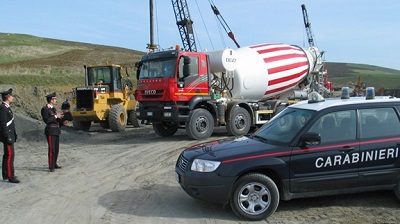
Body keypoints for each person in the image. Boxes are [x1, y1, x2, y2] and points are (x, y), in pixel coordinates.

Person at [41, 92, 66, 172]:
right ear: (51, 100)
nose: (56, 100)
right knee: (52, 149)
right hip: (50, 130)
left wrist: (62, 121)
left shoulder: (53, 109)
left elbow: (56, 120)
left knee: (56, 148)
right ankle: (51, 166)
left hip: (56, 130)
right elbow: (47, 120)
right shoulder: (45, 109)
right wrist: (55, 116)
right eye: (54, 99)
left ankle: (54, 163)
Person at [0, 88, 19, 183]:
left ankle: (5, 174)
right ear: (7, 97)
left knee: (7, 155)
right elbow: (3, 124)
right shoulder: (3, 108)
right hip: (7, 135)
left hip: (9, 134)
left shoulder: (6, 107)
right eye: (11, 96)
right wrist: (7, 136)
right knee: (10, 155)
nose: (12, 97)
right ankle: (10, 175)